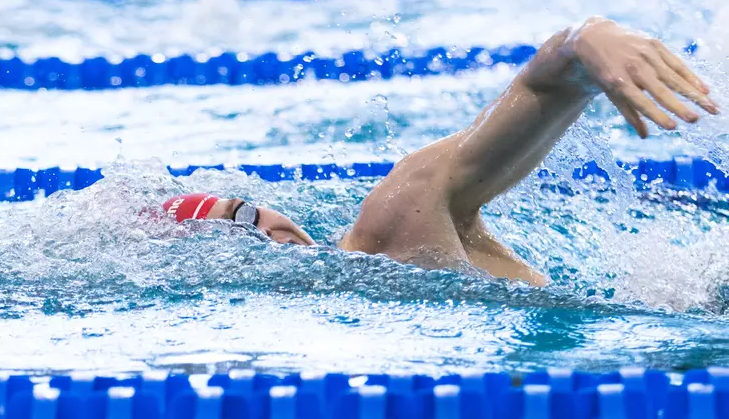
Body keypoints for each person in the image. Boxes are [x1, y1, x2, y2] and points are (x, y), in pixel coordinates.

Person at [162, 16, 719, 287]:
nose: (255, 232)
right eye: (232, 235)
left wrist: (584, 39)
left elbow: (541, 86)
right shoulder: (381, 265)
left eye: (239, 211)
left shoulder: (393, 213)